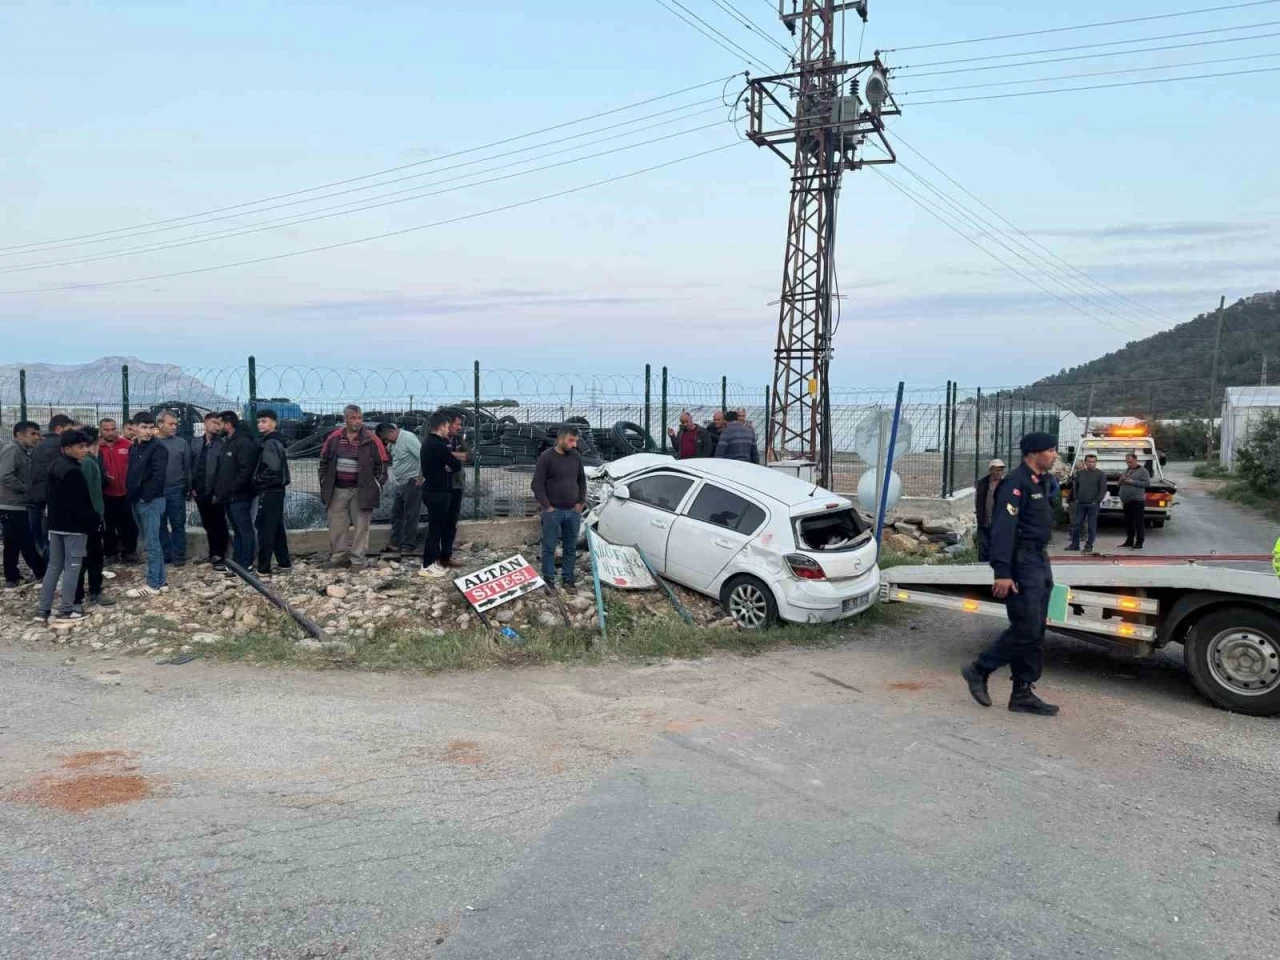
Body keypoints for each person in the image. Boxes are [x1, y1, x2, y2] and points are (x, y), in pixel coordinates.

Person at [961, 432, 1060, 718]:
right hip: (1021, 563)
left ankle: (1022, 692)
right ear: (1034, 453)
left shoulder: (1040, 481)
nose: (1054, 455)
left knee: (1036, 629)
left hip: (1039, 560)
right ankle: (979, 669)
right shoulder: (1014, 484)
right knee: (1025, 628)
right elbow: (1003, 530)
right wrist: (1002, 572)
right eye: (1050, 450)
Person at [318, 404, 388, 568]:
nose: (357, 421)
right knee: (337, 526)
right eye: (353, 418)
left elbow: (382, 464)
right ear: (345, 419)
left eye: (360, 418)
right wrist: (324, 481)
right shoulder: (334, 438)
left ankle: (358, 560)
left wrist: (376, 484)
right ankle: (339, 557)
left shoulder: (372, 440)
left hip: (361, 491)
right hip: (337, 490)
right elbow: (324, 461)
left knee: (361, 526)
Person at [39, 430, 98, 622]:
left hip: (54, 525)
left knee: (54, 566)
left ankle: (44, 609)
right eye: (80, 447)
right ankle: (67, 608)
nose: (85, 450)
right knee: (73, 567)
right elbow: (80, 503)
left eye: (85, 446)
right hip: (74, 528)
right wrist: (93, 521)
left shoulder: (53, 466)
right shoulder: (73, 471)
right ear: (67, 449)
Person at [531, 425, 587, 590]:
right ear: (560, 438)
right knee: (549, 547)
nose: (574, 444)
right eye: (571, 440)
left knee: (570, 548)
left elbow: (581, 481)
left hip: (573, 512)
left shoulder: (576, 457)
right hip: (553, 512)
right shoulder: (546, 457)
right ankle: (549, 580)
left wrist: (580, 502)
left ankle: (568, 579)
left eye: (576, 441)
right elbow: (537, 485)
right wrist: (547, 507)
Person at [0, 421, 47, 588]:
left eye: (38, 434)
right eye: (33, 434)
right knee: (25, 540)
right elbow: (5, 475)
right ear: (19, 434)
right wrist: (26, 490)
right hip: (12, 504)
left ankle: (12, 577)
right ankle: (41, 572)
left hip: (16, 503)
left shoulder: (24, 452)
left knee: (12, 542)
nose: (37, 437)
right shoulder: (12, 450)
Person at [126, 413, 169, 596]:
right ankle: (161, 581)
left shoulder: (158, 448)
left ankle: (152, 585)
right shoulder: (134, 447)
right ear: (134, 427)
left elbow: (159, 477)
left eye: (151, 428)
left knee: (152, 544)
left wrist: (145, 498)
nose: (148, 432)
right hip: (138, 500)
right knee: (152, 542)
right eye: (144, 427)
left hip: (151, 501)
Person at [213, 411, 260, 571]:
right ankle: (237, 563)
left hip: (240, 496)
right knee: (238, 530)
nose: (217, 427)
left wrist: (232, 489)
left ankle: (246, 563)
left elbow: (245, 471)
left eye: (219, 424)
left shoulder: (243, 443)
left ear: (228, 424)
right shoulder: (228, 442)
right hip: (229, 497)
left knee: (245, 530)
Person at [73, 426, 113, 609]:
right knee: (93, 556)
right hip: (91, 518)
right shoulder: (88, 463)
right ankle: (92, 592)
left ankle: (81, 593)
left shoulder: (86, 461)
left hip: (88, 517)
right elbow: (89, 492)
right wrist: (96, 515)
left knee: (87, 556)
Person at [29, 413, 76, 558]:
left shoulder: (38, 446)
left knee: (44, 534)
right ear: (59, 429)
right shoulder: (61, 446)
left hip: (38, 496)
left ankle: (46, 561)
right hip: (53, 497)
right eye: (69, 430)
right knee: (55, 536)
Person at [253, 410, 292, 577]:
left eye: (264, 421)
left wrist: (257, 480)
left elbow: (272, 468)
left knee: (265, 528)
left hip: (270, 490)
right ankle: (284, 563)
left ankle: (263, 567)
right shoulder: (276, 441)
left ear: (274, 423)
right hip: (276, 490)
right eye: (259, 421)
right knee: (276, 527)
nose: (260, 424)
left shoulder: (270, 442)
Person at [417, 412, 456, 579]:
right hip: (437, 492)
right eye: (447, 426)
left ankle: (432, 561)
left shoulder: (428, 443)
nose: (448, 430)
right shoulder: (438, 445)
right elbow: (456, 464)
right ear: (441, 427)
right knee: (435, 530)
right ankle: (427, 565)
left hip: (432, 490)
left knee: (436, 528)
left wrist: (447, 465)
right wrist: (448, 465)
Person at [375, 422, 422, 556]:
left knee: (411, 514)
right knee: (397, 513)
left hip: (412, 481)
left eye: (386, 438)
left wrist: (420, 478)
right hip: (400, 483)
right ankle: (395, 544)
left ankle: (408, 545)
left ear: (392, 432)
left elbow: (424, 457)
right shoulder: (393, 443)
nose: (386, 442)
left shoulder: (408, 438)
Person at [190, 412, 229, 570]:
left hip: (215, 492)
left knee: (219, 523)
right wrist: (192, 487)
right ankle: (213, 553)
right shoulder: (196, 443)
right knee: (207, 523)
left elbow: (223, 472)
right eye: (213, 422)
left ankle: (220, 555)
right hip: (199, 492)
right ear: (205, 423)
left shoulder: (223, 445)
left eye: (219, 423)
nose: (216, 426)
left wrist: (218, 492)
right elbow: (192, 465)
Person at [155, 410, 193, 567]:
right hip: (156, 492)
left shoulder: (181, 443)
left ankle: (179, 555)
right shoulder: (153, 443)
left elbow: (187, 467)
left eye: (175, 424)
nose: (174, 427)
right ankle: (165, 555)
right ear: (160, 424)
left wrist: (188, 487)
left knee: (178, 523)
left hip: (176, 490)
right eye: (171, 424)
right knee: (159, 525)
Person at [98, 418, 139, 563]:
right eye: (106, 430)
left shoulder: (127, 445)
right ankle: (110, 553)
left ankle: (130, 552)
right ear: (100, 430)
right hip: (106, 493)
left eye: (113, 429)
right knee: (108, 526)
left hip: (126, 493)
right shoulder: (96, 447)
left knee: (129, 525)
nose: (110, 432)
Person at [444, 414, 471, 568]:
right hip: (441, 485)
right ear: (447, 424)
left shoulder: (458, 439)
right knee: (439, 520)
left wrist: (447, 454)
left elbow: (467, 456)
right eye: (457, 424)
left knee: (452, 521)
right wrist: (453, 455)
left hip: (457, 484)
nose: (459, 427)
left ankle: (447, 554)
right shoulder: (437, 439)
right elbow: (433, 456)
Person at [1066, 453, 1105, 554]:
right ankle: (1075, 545)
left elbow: (1102, 490)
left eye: (1093, 462)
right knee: (1076, 524)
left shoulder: (1100, 474)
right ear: (1085, 462)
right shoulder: (1080, 473)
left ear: (1096, 462)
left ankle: (1089, 546)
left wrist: (1096, 501)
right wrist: (1076, 498)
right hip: (1080, 504)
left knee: (1091, 526)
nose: (1091, 464)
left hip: (1093, 505)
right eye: (1089, 461)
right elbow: (1076, 486)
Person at [973, 459, 1005, 563]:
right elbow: (978, 501)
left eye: (1001, 470)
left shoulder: (1006, 484)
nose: (999, 473)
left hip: (999, 522)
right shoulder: (983, 483)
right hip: (984, 521)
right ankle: (982, 567)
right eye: (996, 470)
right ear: (991, 470)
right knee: (983, 547)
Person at [1118, 452, 1150, 550]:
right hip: (1126, 500)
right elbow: (1119, 483)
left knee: (1138, 522)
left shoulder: (1143, 471)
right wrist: (1120, 481)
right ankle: (1129, 540)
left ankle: (1139, 542)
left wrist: (1133, 482)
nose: (1128, 464)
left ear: (1136, 460)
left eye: (1130, 462)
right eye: (1127, 462)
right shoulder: (1126, 470)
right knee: (1129, 522)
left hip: (1137, 500)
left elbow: (1147, 484)